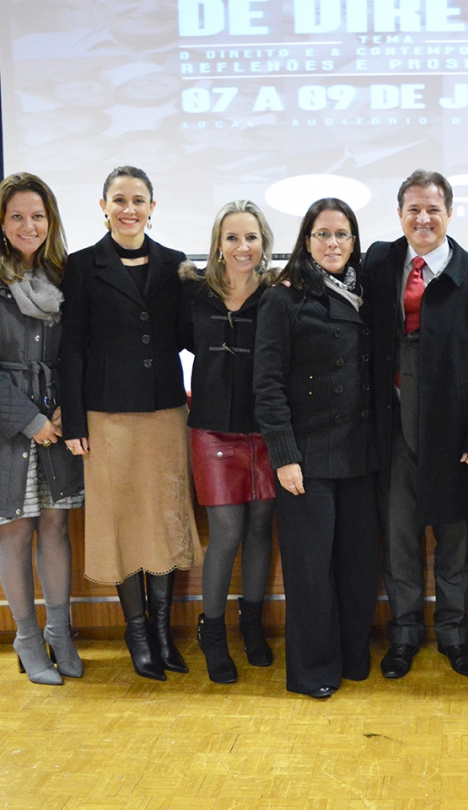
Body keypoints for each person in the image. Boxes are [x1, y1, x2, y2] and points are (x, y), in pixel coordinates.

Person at [60, 165, 202, 682]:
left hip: (165, 413)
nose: (129, 209)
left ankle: (162, 633)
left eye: (138, 200)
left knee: (163, 519)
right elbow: (71, 349)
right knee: (122, 521)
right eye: (119, 200)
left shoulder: (175, 265)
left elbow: (190, 336)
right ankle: (137, 633)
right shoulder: (81, 266)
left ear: (152, 207)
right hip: (106, 417)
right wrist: (74, 420)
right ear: (103, 206)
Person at [366, 169, 468, 680]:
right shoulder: (378, 262)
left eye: (433, 209)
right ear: (399, 214)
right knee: (399, 539)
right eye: (413, 209)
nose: (423, 219)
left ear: (449, 213)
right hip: (392, 429)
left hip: (455, 435)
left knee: (455, 542)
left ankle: (453, 635)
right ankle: (404, 634)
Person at [0, 172, 84, 685]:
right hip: (1, 424)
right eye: (18, 216)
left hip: (56, 417)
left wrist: (68, 405)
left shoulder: (63, 272)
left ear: (51, 221)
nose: (30, 226)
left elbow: (79, 348)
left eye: (39, 216)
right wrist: (29, 421)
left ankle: (60, 633)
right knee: (17, 527)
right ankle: (26, 637)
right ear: (1, 222)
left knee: (55, 525)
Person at [252, 198, 381, 699]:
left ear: (354, 241)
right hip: (306, 459)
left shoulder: (367, 293)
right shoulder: (283, 298)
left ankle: (351, 658)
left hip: (361, 457)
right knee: (309, 573)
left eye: (342, 234)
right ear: (306, 241)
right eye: (322, 234)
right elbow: (267, 385)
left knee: (358, 568)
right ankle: (312, 671)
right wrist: (284, 456)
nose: (332, 243)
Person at [179, 200, 278, 684]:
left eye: (251, 238)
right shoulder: (194, 293)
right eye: (233, 238)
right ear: (218, 243)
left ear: (264, 243)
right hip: (212, 428)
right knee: (226, 530)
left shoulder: (277, 294)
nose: (243, 247)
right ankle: (212, 632)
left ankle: (252, 625)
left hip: (267, 429)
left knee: (261, 527)